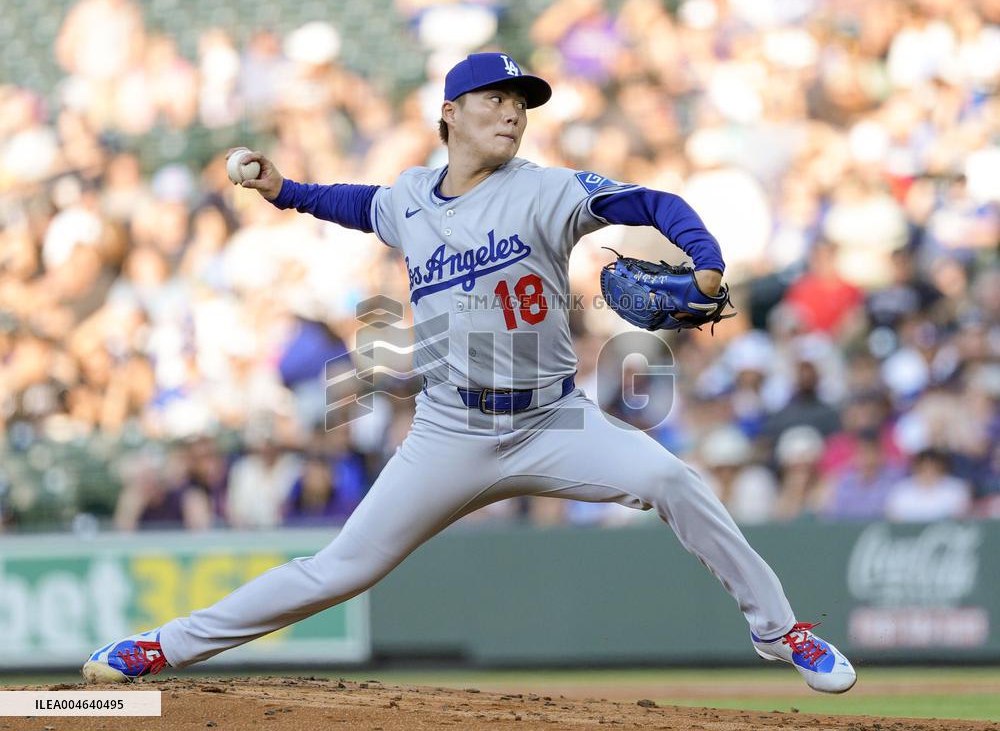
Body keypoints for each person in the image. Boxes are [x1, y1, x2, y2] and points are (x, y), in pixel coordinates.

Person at [83, 53, 855, 693]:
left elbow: (652, 201)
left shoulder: (548, 189)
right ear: (449, 112)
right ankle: (161, 648)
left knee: (676, 482)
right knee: (338, 570)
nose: (514, 114)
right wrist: (284, 191)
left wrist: (710, 264)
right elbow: (356, 203)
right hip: (451, 429)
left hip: (555, 419)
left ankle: (781, 630)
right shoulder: (413, 195)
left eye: (522, 103)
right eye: (496, 98)